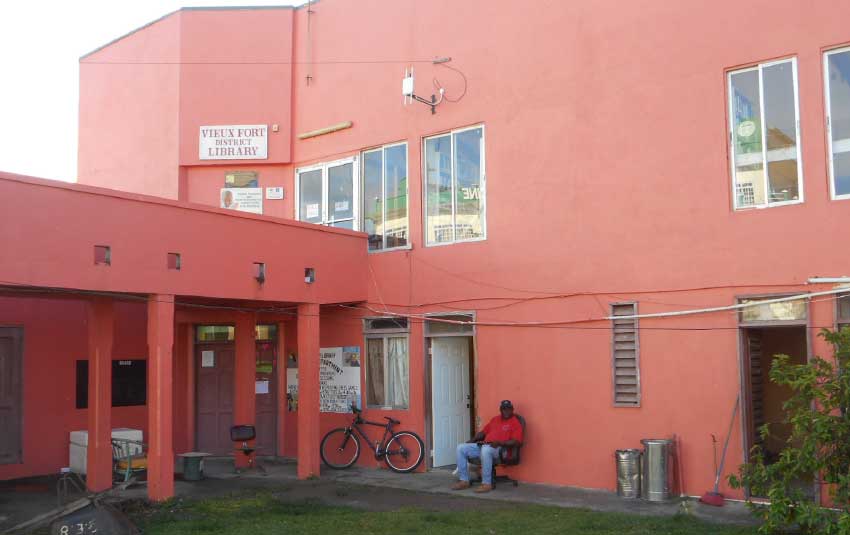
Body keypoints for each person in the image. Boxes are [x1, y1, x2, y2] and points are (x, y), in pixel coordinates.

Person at [451, 400, 523, 493]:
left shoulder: (515, 422)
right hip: (486, 445)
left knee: (485, 450)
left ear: (512, 410)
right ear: (500, 410)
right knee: (461, 447)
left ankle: (486, 484)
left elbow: (517, 442)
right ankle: (464, 480)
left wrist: (500, 443)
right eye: (504, 409)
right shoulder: (495, 419)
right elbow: (483, 432)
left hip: (502, 449)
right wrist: (472, 440)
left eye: (508, 409)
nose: (506, 411)